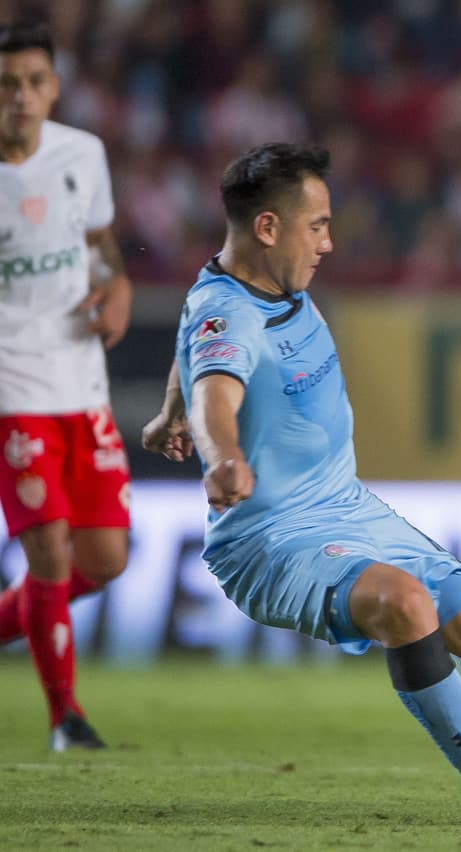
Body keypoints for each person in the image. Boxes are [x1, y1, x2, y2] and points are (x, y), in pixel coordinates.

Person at [139, 142, 461, 834]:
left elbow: (196, 346)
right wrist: (220, 454)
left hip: (348, 509)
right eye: (317, 225)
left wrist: (168, 409)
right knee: (406, 604)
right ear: (268, 227)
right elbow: (215, 392)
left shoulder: (248, 286)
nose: (328, 242)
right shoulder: (232, 311)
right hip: (271, 540)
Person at [0, 20, 133, 751]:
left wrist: (117, 289)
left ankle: (22, 618)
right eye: (6, 84)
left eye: (33, 82)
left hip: (82, 381)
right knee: (48, 550)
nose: (21, 97)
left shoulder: (83, 154)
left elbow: (101, 248)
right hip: (12, 387)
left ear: (53, 87)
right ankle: (66, 719)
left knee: (105, 559)